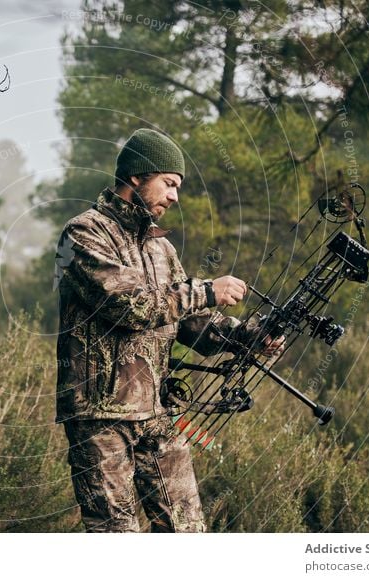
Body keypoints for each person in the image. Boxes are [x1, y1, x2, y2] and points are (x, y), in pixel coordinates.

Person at [54, 128, 283, 533]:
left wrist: (249, 336)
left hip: (158, 412)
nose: (175, 196)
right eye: (169, 183)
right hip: (101, 417)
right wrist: (207, 291)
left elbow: (189, 323)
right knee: (115, 533)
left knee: (186, 531)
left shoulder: (161, 247)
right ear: (137, 176)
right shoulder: (84, 233)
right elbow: (130, 306)